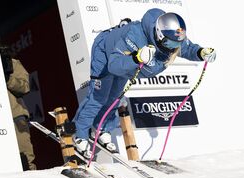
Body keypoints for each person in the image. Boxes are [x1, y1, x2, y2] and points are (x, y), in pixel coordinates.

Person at [72, 8, 216, 158]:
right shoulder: (135, 35)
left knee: (115, 97)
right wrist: (136, 58)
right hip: (105, 53)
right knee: (99, 97)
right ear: (159, 34)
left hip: (128, 66)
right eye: (170, 43)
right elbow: (114, 65)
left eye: (175, 43)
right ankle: (80, 133)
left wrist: (200, 52)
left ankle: (101, 128)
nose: (173, 48)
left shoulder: (171, 38)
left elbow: (186, 48)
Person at [0, 45, 37, 170]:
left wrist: (8, 78)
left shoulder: (11, 62)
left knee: (25, 157)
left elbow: (25, 87)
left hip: (15, 115)